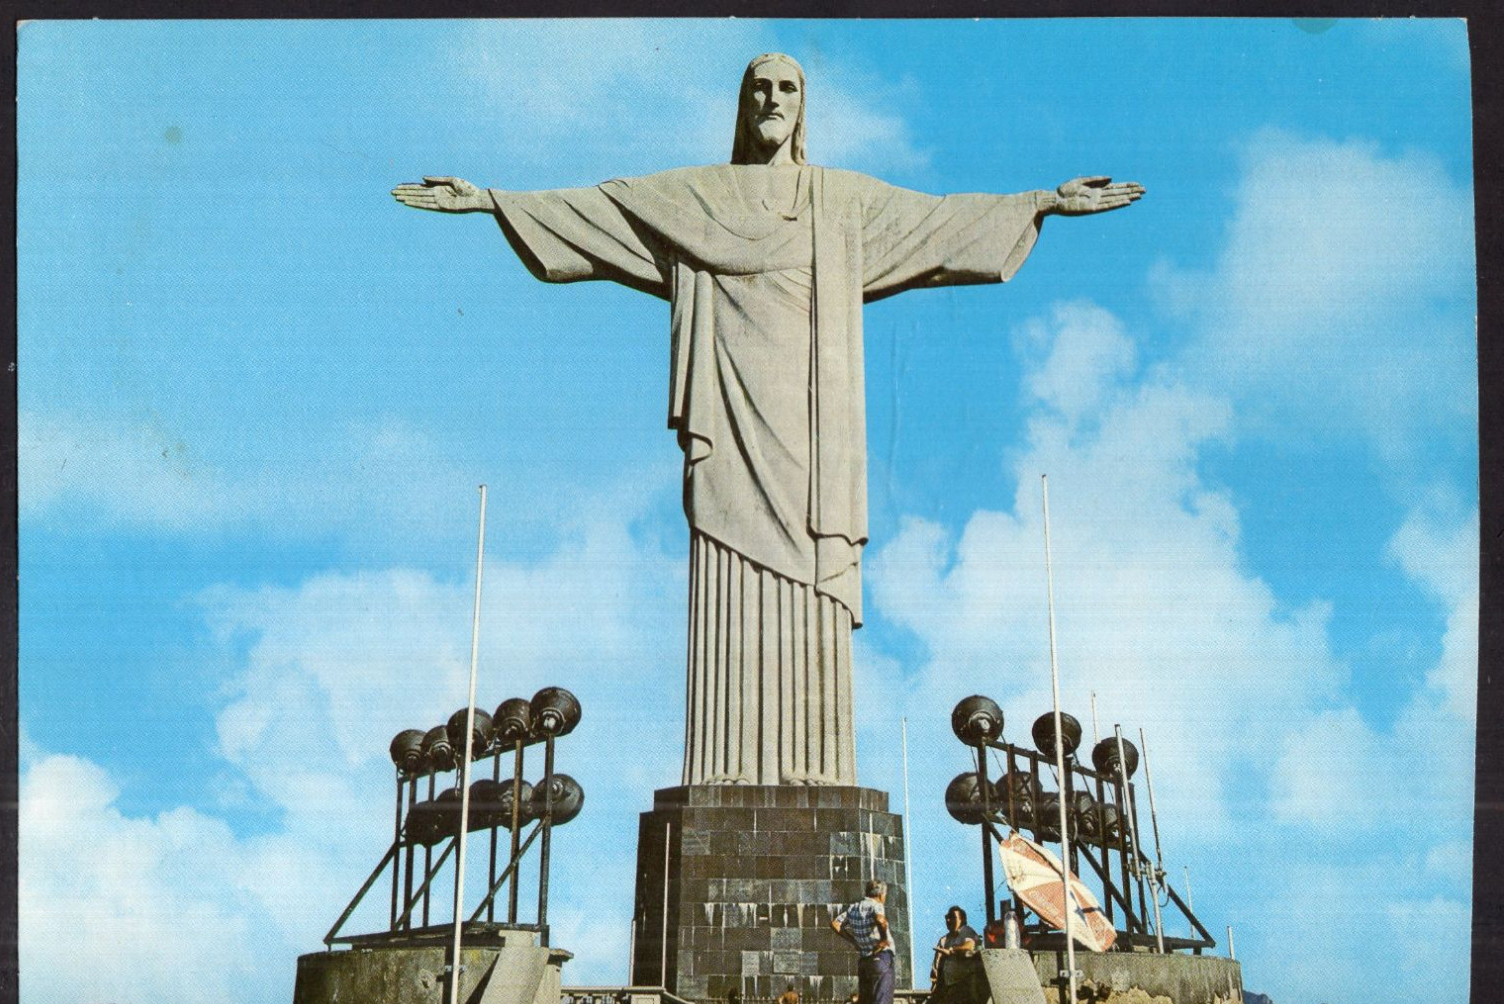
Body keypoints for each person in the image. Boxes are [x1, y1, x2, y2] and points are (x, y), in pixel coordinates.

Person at [392, 55, 1142, 789]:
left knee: (812, 578)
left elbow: (938, 224)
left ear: (804, 107)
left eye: (788, 88)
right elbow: (602, 210)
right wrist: (491, 200)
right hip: (729, 409)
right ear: (742, 103)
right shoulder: (698, 198)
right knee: (729, 564)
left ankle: (817, 767)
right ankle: (724, 764)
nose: (772, 100)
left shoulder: (839, 202)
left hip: (814, 429)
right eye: (759, 88)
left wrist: (1041, 201)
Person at [831, 879, 896, 1004]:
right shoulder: (876, 906)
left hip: (864, 960)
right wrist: (883, 939)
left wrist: (853, 940)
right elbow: (881, 921)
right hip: (881, 958)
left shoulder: (854, 908)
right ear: (881, 894)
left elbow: (835, 924)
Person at [925, 905, 984, 1004]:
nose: (949, 920)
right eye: (947, 917)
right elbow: (937, 964)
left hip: (962, 985)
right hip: (945, 986)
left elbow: (970, 945)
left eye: (953, 917)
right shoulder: (944, 939)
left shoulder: (966, 931)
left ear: (962, 919)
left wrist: (952, 950)